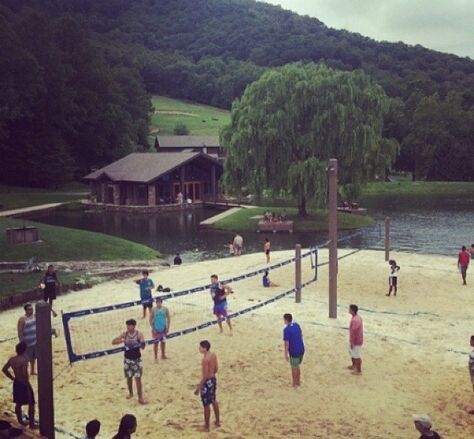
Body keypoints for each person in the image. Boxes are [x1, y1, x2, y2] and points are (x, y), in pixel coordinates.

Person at [1, 342, 36, 429]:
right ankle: (31, 424)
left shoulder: (12, 359)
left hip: (17, 382)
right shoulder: (24, 360)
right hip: (24, 383)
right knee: (31, 403)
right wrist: (26, 381)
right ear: (24, 350)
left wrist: (12, 378)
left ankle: (20, 421)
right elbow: (25, 374)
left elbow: (4, 369)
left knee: (18, 403)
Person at [112, 319, 146, 404]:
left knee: (138, 379)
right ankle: (131, 393)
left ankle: (140, 398)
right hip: (127, 359)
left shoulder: (139, 334)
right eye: (127, 326)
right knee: (129, 378)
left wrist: (140, 342)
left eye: (130, 326)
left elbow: (143, 346)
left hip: (137, 359)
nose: (128, 327)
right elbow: (113, 342)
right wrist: (123, 340)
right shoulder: (125, 334)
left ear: (134, 326)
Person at [194, 340, 220, 432]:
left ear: (204, 348)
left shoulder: (205, 360)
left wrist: (198, 387)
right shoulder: (213, 355)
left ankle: (207, 426)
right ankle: (217, 421)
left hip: (207, 381)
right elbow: (216, 368)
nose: (199, 348)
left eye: (200, 347)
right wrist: (211, 376)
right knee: (213, 400)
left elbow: (205, 376)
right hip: (213, 379)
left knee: (206, 405)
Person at [283, 313, 305, 387]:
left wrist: (286, 354)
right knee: (297, 365)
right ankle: (298, 382)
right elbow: (301, 335)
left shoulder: (286, 330)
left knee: (294, 367)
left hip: (294, 351)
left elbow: (286, 343)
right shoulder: (297, 325)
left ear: (286, 320)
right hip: (301, 348)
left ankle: (294, 383)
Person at [17, 304, 37, 376]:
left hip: (35, 341)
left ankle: (32, 371)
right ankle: (24, 373)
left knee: (33, 357)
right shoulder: (22, 319)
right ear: (25, 310)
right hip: (26, 343)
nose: (31, 310)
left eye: (32, 309)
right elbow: (20, 331)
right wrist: (21, 342)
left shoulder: (35, 316)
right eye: (29, 309)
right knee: (25, 359)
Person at [149, 297, 170, 363]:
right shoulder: (153, 310)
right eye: (157, 302)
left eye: (159, 302)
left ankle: (163, 355)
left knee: (163, 342)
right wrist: (153, 328)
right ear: (156, 303)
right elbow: (150, 320)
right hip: (156, 329)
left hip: (163, 329)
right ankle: (155, 358)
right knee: (156, 344)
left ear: (161, 302)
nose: (158, 304)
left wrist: (167, 327)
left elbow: (169, 318)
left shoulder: (165, 309)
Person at [348, 304, 363, 374]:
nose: (349, 310)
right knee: (352, 353)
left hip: (356, 341)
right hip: (355, 340)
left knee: (357, 355)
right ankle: (354, 366)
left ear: (352, 311)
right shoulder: (356, 317)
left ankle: (358, 370)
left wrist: (352, 342)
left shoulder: (355, 320)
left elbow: (354, 332)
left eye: (350, 309)